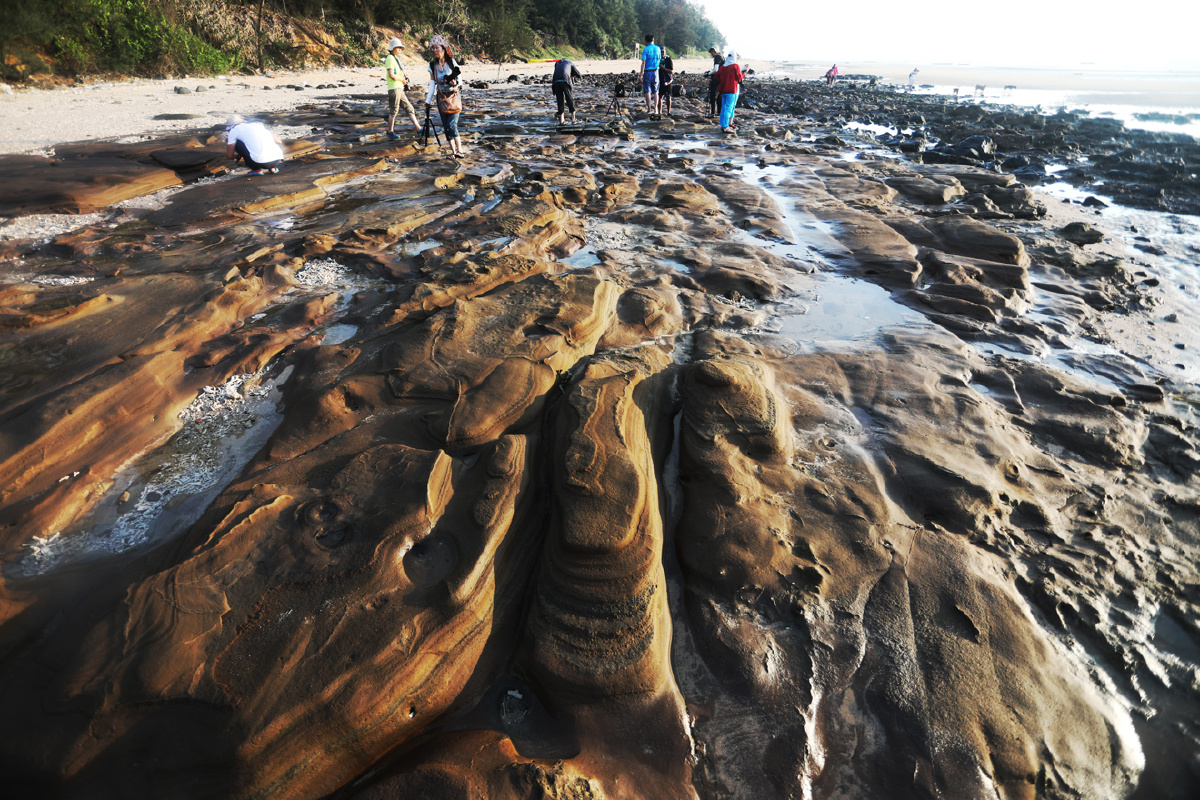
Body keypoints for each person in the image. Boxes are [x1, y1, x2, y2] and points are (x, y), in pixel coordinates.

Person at [425, 35, 465, 158]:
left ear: (443, 48)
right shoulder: (432, 66)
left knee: (452, 125)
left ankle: (460, 150)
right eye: (433, 49)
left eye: (437, 48)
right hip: (441, 98)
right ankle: (453, 152)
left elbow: (460, 81)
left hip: (453, 97)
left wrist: (455, 84)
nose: (435, 51)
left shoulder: (451, 62)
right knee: (446, 125)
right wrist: (428, 100)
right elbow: (432, 84)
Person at [384, 37, 420, 138]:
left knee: (409, 108)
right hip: (394, 88)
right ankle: (390, 131)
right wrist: (402, 80)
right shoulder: (390, 58)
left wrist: (403, 81)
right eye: (398, 47)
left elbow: (396, 74)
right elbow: (392, 74)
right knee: (394, 110)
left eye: (401, 48)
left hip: (399, 88)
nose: (400, 49)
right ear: (393, 48)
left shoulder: (395, 59)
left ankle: (418, 128)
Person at [716, 52, 745, 133]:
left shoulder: (723, 67)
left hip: (723, 89)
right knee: (728, 108)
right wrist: (744, 72)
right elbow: (739, 77)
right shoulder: (735, 66)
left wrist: (722, 81)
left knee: (724, 108)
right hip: (732, 89)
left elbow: (716, 76)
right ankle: (725, 126)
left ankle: (723, 124)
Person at [551, 57, 582, 125]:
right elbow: (578, 74)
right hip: (565, 81)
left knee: (560, 100)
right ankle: (573, 120)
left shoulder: (557, 63)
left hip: (555, 82)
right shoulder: (570, 63)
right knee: (570, 99)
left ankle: (562, 121)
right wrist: (574, 76)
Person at [639, 34, 662, 114]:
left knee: (647, 90)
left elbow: (643, 62)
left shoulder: (645, 49)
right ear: (653, 40)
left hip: (647, 71)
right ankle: (655, 109)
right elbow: (659, 60)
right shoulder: (658, 49)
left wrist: (640, 75)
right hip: (656, 71)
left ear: (646, 41)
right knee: (656, 91)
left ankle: (649, 109)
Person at [706, 45, 723, 117]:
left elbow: (716, 69)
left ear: (716, 51)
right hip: (721, 79)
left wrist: (708, 74)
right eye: (711, 51)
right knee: (719, 96)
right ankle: (719, 112)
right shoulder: (722, 57)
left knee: (713, 96)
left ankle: (712, 113)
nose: (712, 53)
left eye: (713, 51)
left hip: (716, 79)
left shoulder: (717, 58)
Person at [657, 49, 675, 115]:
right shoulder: (657, 59)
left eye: (663, 52)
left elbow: (672, 71)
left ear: (665, 52)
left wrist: (664, 69)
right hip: (659, 80)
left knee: (668, 97)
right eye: (660, 52)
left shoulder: (668, 59)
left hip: (668, 80)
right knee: (660, 97)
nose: (662, 53)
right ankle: (659, 112)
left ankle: (668, 112)